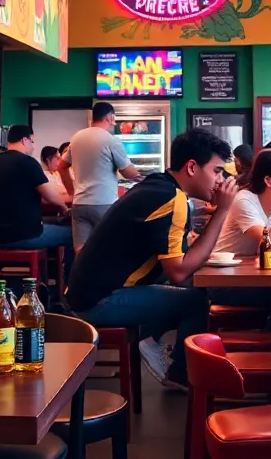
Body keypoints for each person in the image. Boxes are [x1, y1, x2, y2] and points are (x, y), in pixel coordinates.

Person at [65, 128, 237, 390]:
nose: (220, 180)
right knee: (195, 300)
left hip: (83, 291)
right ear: (192, 167)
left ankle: (151, 338)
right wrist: (222, 210)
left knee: (189, 287)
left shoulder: (159, 185)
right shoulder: (172, 198)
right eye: (216, 171)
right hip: (98, 300)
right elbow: (178, 271)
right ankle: (180, 373)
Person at [210, 149, 271, 348]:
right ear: (268, 180)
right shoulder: (245, 200)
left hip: (260, 278)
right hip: (226, 281)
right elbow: (269, 248)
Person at [0, 125, 72, 268]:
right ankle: (69, 285)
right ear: (24, 140)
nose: (33, 147)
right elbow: (51, 195)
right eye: (32, 142)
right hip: (26, 235)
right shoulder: (28, 163)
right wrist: (64, 208)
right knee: (74, 234)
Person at [60, 102, 142, 251]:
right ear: (110, 117)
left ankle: (83, 275)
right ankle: (106, 275)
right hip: (103, 204)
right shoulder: (110, 140)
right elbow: (128, 173)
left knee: (81, 251)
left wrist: (72, 192)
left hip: (80, 204)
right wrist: (145, 178)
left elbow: (61, 166)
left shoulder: (76, 137)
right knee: (108, 249)